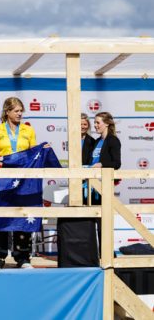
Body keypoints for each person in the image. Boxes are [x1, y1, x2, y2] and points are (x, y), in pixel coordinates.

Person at [57, 111, 121, 267]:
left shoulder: (113, 140)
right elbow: (90, 161)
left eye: (98, 122)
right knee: (89, 220)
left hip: (102, 186)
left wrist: (102, 165)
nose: (96, 125)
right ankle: (92, 255)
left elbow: (116, 163)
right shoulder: (98, 141)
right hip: (89, 187)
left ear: (107, 123)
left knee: (103, 221)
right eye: (96, 122)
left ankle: (108, 255)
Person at [0, 97, 37, 270]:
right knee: (1, 217)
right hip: (4, 180)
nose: (20, 114)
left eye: (21, 110)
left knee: (22, 216)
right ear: (7, 112)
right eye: (16, 110)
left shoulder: (28, 130)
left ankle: (23, 256)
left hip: (24, 180)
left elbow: (33, 155)